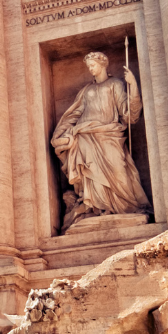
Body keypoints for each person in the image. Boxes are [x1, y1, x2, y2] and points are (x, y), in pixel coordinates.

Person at [51, 52, 150, 227]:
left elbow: (128, 114)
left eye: (93, 65)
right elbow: (74, 114)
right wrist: (61, 132)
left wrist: (133, 85)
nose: (90, 69)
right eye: (89, 66)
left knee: (119, 172)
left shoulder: (115, 84)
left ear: (103, 65)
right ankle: (98, 208)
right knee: (91, 173)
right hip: (85, 136)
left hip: (109, 135)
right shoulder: (86, 91)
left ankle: (126, 207)